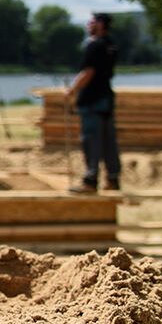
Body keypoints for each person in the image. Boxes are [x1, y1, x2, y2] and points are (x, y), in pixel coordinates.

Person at [66, 12, 121, 193]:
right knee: (108, 141)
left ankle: (90, 180)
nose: (88, 25)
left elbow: (88, 72)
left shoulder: (94, 45)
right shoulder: (111, 45)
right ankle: (113, 180)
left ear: (100, 24)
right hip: (106, 99)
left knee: (91, 140)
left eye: (91, 22)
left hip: (92, 101)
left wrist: (72, 90)